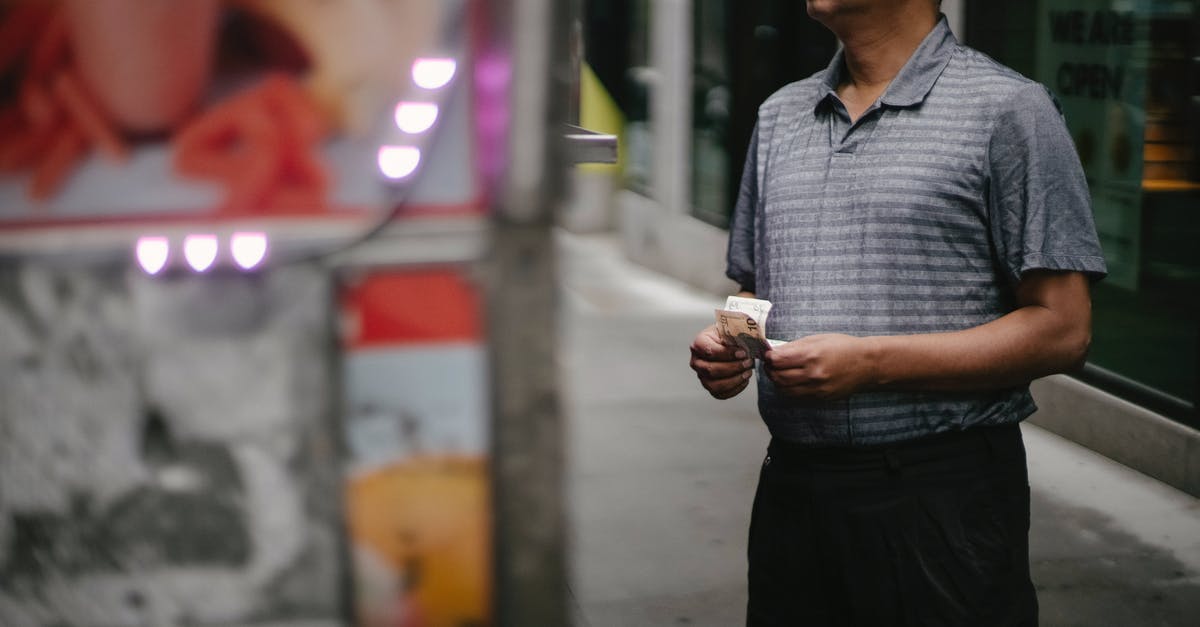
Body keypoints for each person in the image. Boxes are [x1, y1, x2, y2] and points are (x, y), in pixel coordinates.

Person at [688, 1, 1107, 625]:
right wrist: (729, 344)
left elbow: (1064, 329)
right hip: (793, 494)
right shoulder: (779, 114)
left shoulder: (1010, 110)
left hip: (941, 499)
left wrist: (875, 363)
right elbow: (754, 287)